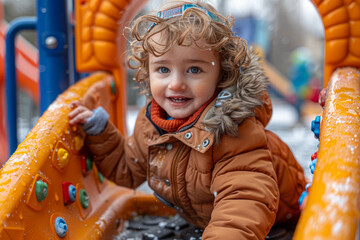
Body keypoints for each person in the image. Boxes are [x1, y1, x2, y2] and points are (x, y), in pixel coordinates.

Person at [68, 1, 306, 239]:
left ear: (222, 73)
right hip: (214, 218)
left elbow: (244, 200)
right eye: (163, 70)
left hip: (276, 220)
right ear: (147, 71)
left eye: (193, 70)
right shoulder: (152, 122)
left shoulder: (233, 129)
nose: (176, 84)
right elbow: (128, 168)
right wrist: (99, 131)